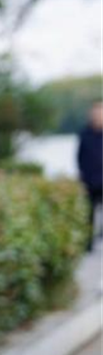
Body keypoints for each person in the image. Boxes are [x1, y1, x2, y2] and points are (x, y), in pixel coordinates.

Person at [77, 100, 103, 251]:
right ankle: (89, 243)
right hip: (90, 179)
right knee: (89, 213)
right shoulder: (85, 133)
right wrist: (82, 174)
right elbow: (80, 156)